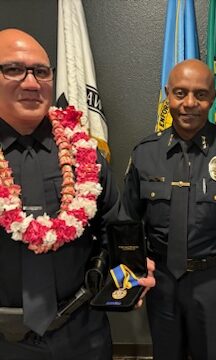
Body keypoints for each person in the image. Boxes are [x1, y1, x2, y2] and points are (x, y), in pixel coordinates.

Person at [0, 28, 154, 360]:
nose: (31, 83)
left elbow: (113, 226)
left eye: (42, 71)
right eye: (13, 69)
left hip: (82, 331)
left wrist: (134, 269)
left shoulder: (83, 153)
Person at [119, 59, 216, 360]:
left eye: (200, 94)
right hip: (160, 281)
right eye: (180, 93)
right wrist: (129, 273)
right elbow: (127, 220)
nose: (189, 103)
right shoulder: (145, 153)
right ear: (167, 95)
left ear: (213, 98)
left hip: (214, 281)